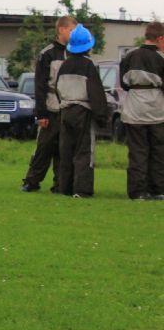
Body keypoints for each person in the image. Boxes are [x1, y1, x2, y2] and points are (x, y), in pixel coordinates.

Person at [53, 24, 110, 199]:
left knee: (66, 150)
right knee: (84, 151)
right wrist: (102, 116)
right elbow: (96, 93)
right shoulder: (89, 65)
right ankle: (82, 189)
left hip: (65, 110)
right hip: (83, 111)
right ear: (88, 46)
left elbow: (57, 89)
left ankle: (65, 187)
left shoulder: (64, 65)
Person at [21, 15, 77, 193]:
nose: (73, 34)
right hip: (51, 106)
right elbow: (40, 85)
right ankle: (32, 180)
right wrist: (42, 113)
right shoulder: (48, 54)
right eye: (71, 30)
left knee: (65, 148)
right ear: (61, 30)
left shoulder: (76, 53)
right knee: (45, 146)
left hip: (68, 107)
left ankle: (60, 183)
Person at [119, 21, 164, 200]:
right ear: (160, 38)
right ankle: (158, 190)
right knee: (158, 152)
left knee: (137, 152)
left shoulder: (129, 56)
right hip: (157, 111)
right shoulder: (161, 59)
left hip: (134, 110)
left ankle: (137, 191)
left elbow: (123, 83)